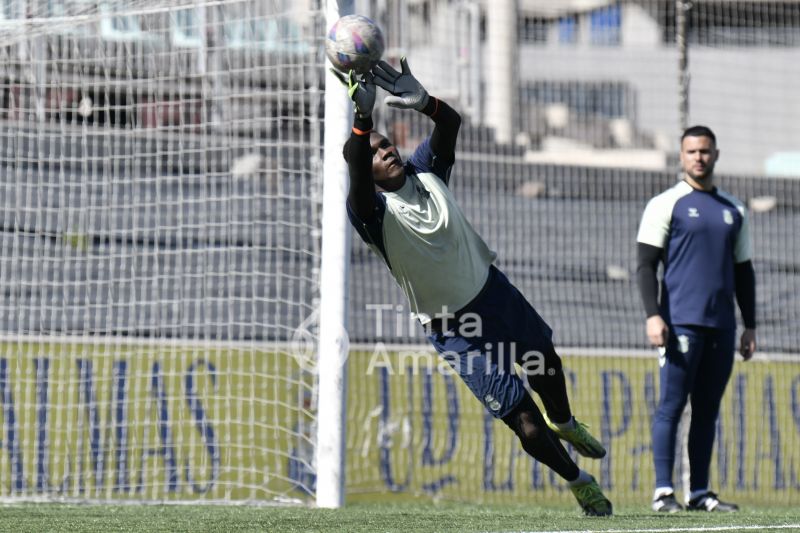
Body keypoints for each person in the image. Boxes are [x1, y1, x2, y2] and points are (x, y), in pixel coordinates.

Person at [332, 58, 612, 516]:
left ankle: (564, 421)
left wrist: (423, 100)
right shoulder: (372, 215)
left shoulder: (428, 171)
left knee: (546, 362)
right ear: (369, 171)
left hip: (492, 294)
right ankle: (580, 482)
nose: (386, 152)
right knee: (524, 422)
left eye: (387, 145)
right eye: (375, 152)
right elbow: (359, 179)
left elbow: (451, 122)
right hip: (455, 330)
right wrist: (362, 121)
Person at [636, 125, 756, 513]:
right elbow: (644, 266)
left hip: (722, 326)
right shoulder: (665, 204)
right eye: (692, 152)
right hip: (679, 324)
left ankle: (700, 492)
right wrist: (653, 316)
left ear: (716, 154)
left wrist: (749, 324)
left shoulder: (734, 209)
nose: (699, 158)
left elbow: (744, 272)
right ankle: (663, 492)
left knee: (707, 410)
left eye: (705, 151)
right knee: (672, 405)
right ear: (681, 156)